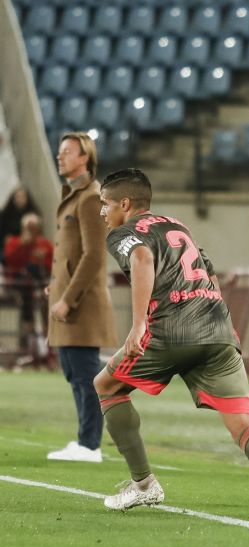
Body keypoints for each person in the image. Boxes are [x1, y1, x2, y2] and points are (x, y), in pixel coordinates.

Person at [93, 168, 249, 524]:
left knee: (106, 385)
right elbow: (208, 270)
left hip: (170, 331)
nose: (103, 212)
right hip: (217, 329)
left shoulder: (123, 233)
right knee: (242, 426)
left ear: (126, 204)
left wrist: (138, 325)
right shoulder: (178, 226)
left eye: (105, 204)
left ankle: (144, 483)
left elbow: (142, 259)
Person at [46, 132, 118, 463]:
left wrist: (68, 298)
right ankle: (84, 440)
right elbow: (69, 255)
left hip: (82, 305)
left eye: (66, 153)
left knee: (86, 376)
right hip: (69, 298)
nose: (60, 157)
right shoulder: (75, 194)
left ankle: (90, 445)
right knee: (73, 373)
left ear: (84, 158)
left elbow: (94, 257)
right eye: (59, 153)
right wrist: (56, 286)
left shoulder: (90, 198)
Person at [4, 212, 53, 352]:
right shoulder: (14, 242)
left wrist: (43, 260)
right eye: (28, 227)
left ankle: (48, 347)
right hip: (21, 288)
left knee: (47, 303)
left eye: (34, 227)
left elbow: (52, 266)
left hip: (41, 286)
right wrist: (22, 245)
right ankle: (28, 346)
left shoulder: (45, 245)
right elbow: (10, 261)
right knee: (27, 304)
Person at [0, 186, 40, 265]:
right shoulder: (5, 214)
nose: (20, 199)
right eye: (18, 197)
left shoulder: (33, 215)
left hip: (28, 246)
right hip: (9, 245)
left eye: (23, 197)